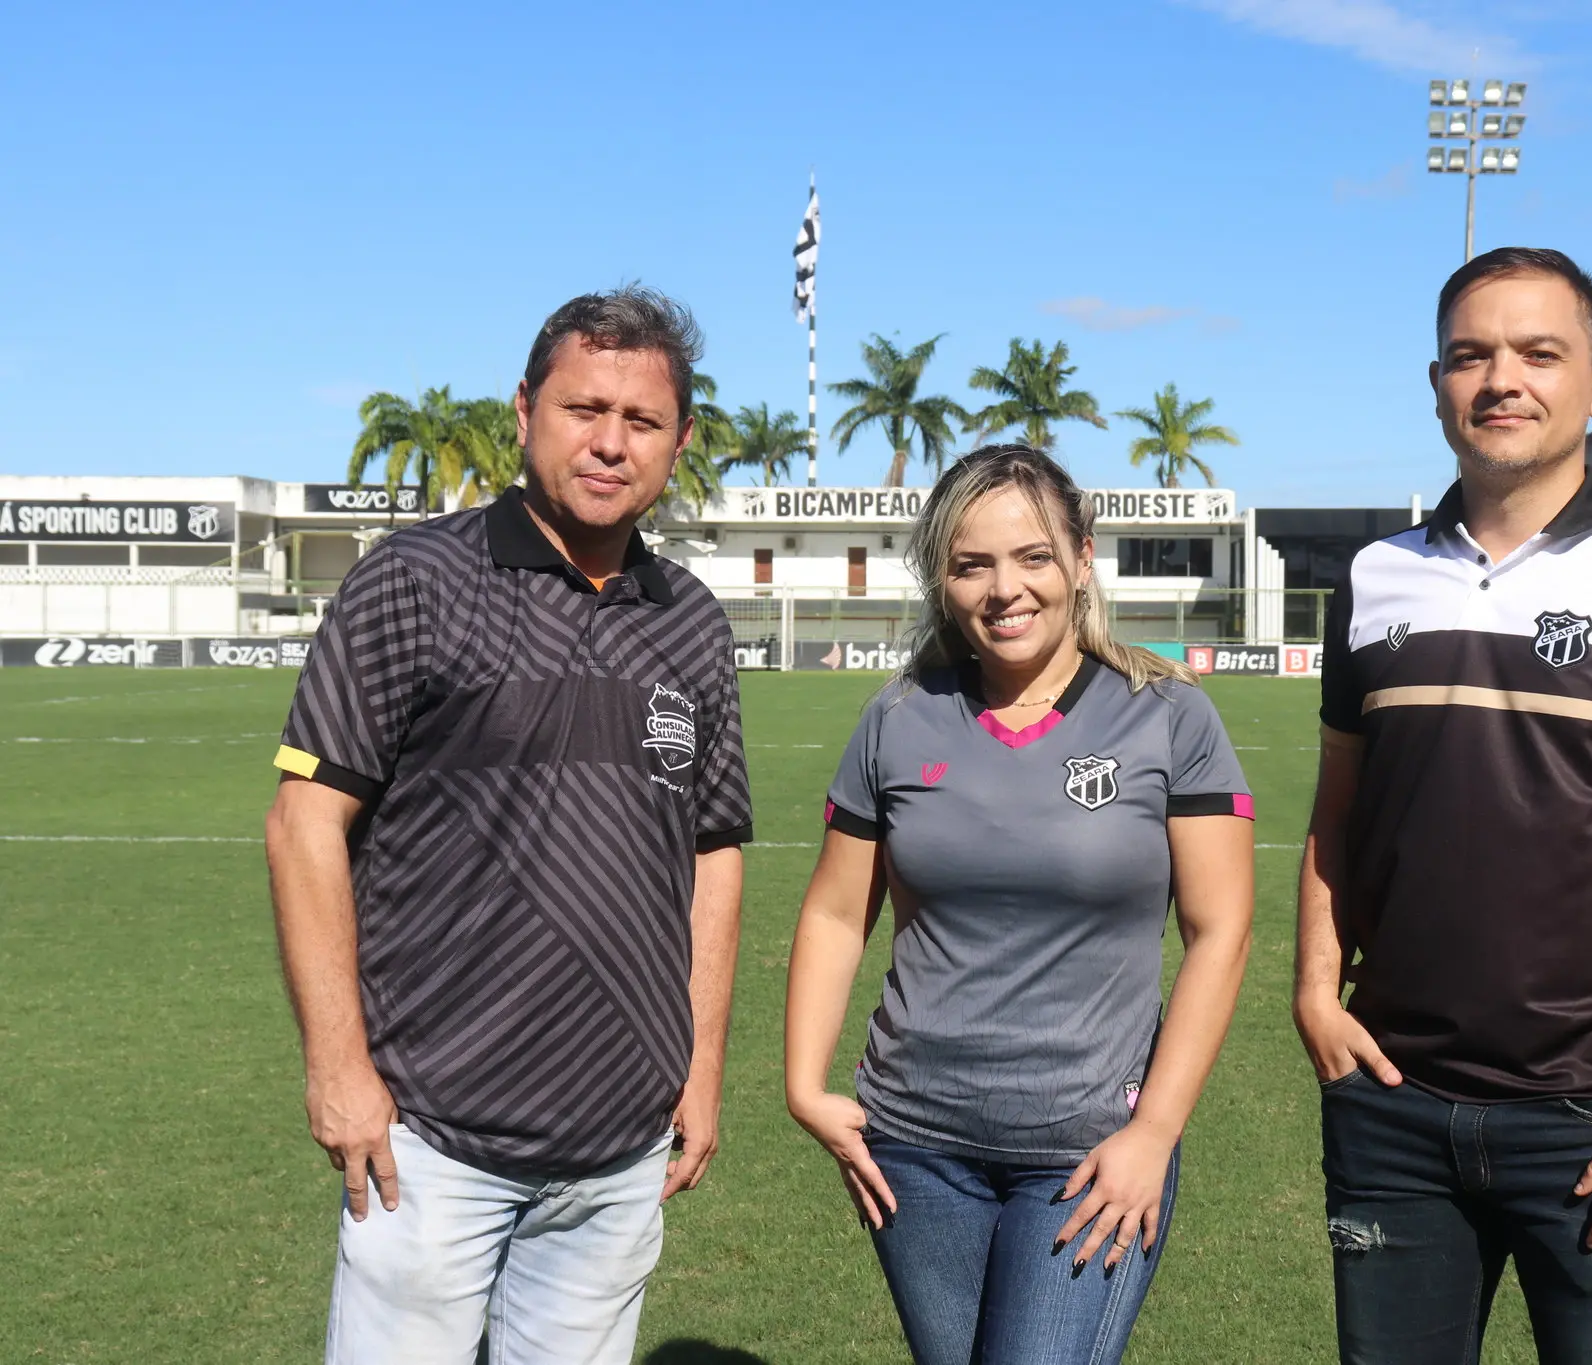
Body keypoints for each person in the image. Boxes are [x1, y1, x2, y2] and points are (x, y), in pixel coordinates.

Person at [1297, 247, 1592, 1364]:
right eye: (1470, 355)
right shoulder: (1372, 581)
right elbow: (1336, 818)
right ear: (1434, 384)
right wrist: (1315, 990)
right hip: (1390, 1108)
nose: (1499, 378)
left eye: (1535, 353)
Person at [264, 286, 752, 1365]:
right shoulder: (414, 582)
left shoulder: (693, 625)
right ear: (525, 409)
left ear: (677, 445)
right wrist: (338, 1068)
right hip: (430, 1139)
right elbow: (304, 824)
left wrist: (702, 1063)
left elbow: (713, 850)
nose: (610, 444)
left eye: (642, 422)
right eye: (585, 410)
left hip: (619, 1147)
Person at [783, 444, 1257, 1365]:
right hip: (914, 1150)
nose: (1005, 588)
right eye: (972, 563)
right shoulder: (896, 716)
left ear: (1081, 558)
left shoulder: (1167, 714)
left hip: (1089, 1153)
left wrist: (1153, 1131)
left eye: (1033, 556)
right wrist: (805, 1085)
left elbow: (1221, 930)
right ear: (941, 576)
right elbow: (837, 913)